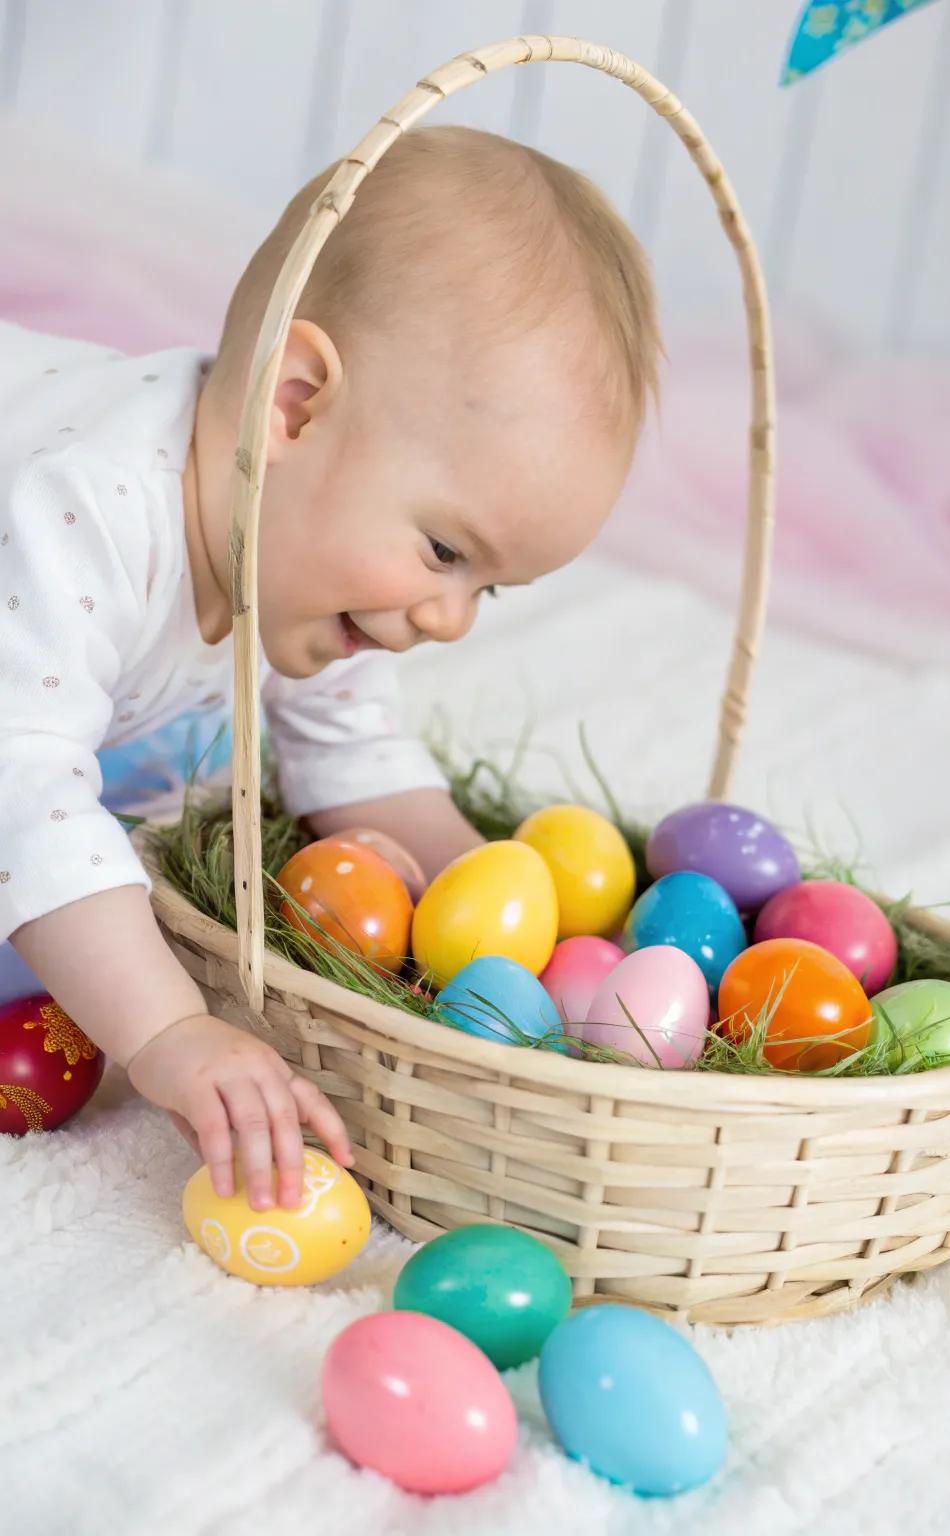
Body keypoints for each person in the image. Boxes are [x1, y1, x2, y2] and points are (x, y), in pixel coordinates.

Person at [0, 125, 661, 1211]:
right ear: (295, 406)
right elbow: (20, 785)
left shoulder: (305, 565)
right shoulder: (90, 509)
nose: (451, 619)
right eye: (446, 553)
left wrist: (515, 930)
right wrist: (169, 1030)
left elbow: (355, 760)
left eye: (486, 587)